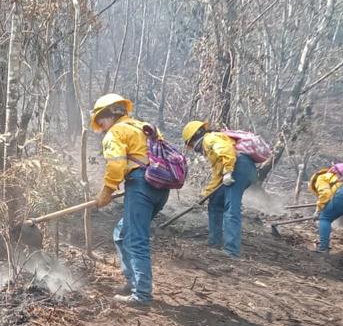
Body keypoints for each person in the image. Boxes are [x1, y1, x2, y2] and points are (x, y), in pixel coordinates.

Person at [91, 93, 169, 305]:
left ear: (107, 116)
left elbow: (116, 166)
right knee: (122, 233)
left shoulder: (115, 132)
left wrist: (106, 192)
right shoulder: (144, 127)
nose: (102, 127)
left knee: (135, 240)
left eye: (101, 121)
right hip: (160, 188)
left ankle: (141, 294)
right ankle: (133, 281)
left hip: (141, 185)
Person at [181, 121, 258, 259]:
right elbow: (217, 175)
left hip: (238, 167)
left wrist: (228, 171)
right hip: (242, 168)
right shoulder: (211, 146)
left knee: (231, 208)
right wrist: (204, 196)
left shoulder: (209, 138)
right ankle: (214, 242)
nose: (193, 148)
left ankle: (231, 251)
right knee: (215, 202)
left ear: (194, 137)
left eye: (190, 144)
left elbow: (226, 150)